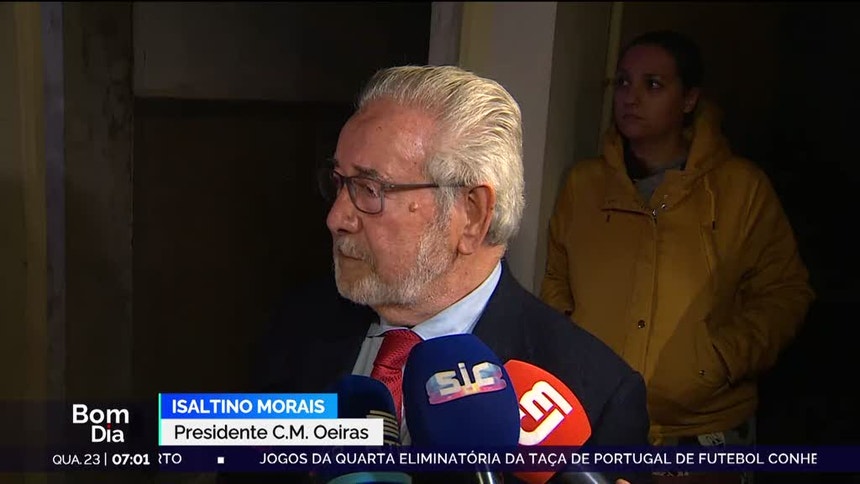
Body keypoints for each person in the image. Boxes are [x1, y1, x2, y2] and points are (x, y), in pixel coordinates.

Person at [250, 65, 650, 484]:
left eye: (369, 189)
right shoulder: (296, 328)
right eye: (339, 183)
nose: (336, 218)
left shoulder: (597, 397)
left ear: (472, 215)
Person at [541, 30, 814, 483]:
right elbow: (556, 278)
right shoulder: (584, 184)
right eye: (623, 83)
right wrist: (573, 351)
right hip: (596, 420)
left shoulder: (741, 189)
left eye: (653, 84)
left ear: (689, 99)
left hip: (701, 433)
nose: (631, 98)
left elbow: (785, 292)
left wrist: (722, 358)